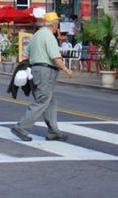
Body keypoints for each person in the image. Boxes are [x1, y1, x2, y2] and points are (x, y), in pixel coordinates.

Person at [11, 11, 74, 142]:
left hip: (35, 70)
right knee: (42, 100)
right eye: (58, 23)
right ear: (55, 24)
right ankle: (21, 127)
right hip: (46, 71)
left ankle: (53, 131)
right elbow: (55, 57)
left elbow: (25, 54)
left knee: (50, 101)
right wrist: (66, 70)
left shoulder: (37, 35)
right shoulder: (49, 37)